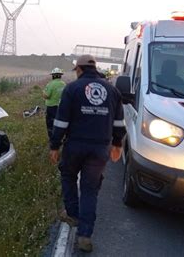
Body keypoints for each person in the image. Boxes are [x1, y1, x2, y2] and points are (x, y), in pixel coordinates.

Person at [49, 54, 126, 253]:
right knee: (90, 190)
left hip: (75, 146)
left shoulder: (72, 89)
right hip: (100, 148)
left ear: (79, 69)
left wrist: (54, 146)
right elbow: (119, 123)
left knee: (68, 176)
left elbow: (61, 122)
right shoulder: (112, 90)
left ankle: (73, 214)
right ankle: (85, 235)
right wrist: (117, 144)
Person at [43, 68, 66, 138]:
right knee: (59, 123)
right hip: (61, 107)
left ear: (53, 76)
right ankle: (60, 137)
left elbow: (46, 96)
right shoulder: (64, 84)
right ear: (60, 76)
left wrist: (43, 93)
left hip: (51, 107)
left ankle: (52, 138)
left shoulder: (50, 84)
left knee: (50, 124)